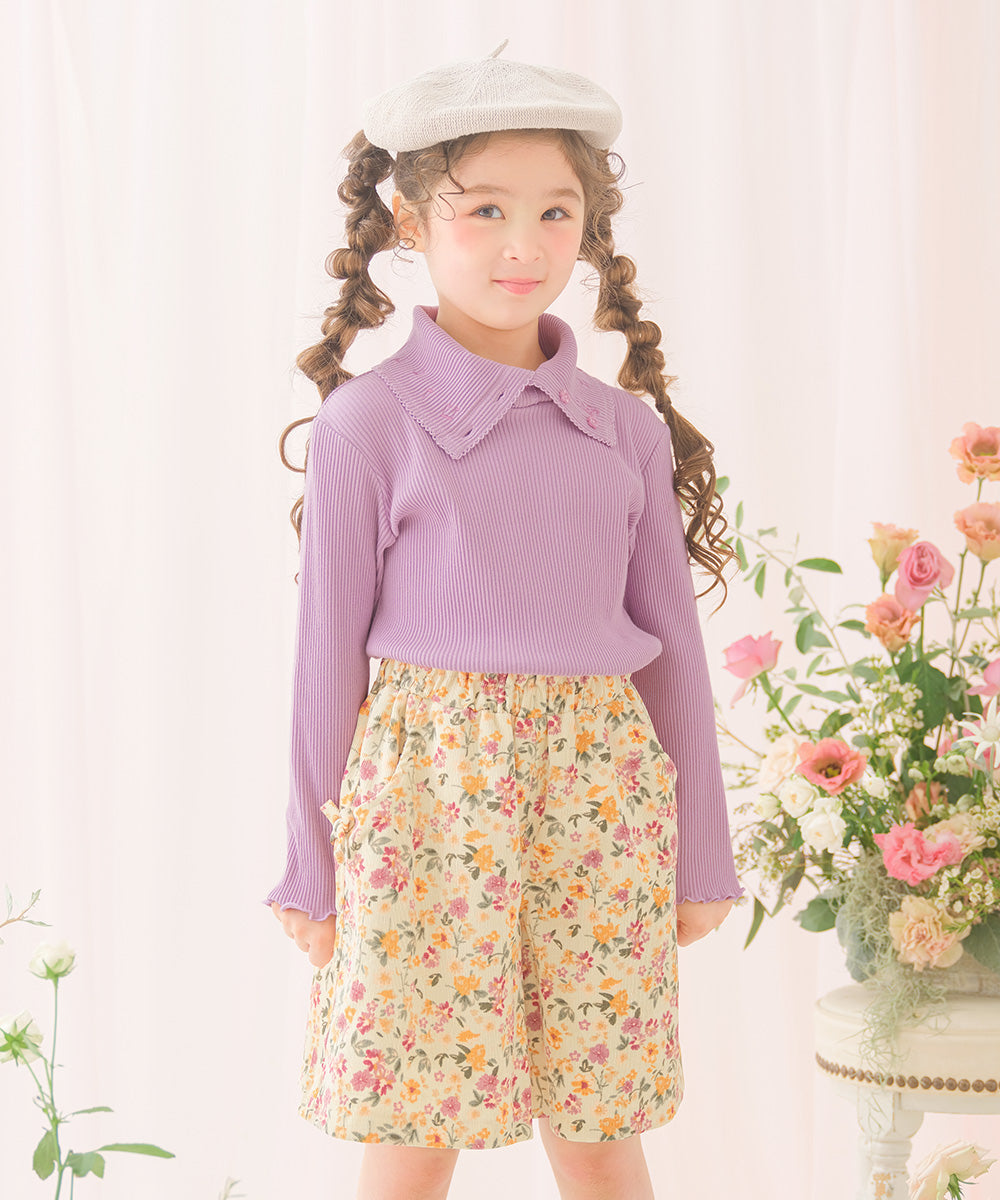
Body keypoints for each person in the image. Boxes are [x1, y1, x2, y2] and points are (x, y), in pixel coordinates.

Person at [264, 39, 744, 1200]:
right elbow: (325, 660)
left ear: (589, 226)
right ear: (409, 220)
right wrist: (309, 868)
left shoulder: (623, 431)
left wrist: (703, 855)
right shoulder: (369, 425)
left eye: (553, 212)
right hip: (424, 797)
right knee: (412, 1123)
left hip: (601, 795)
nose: (524, 246)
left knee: (598, 1121)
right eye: (484, 210)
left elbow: (673, 658)